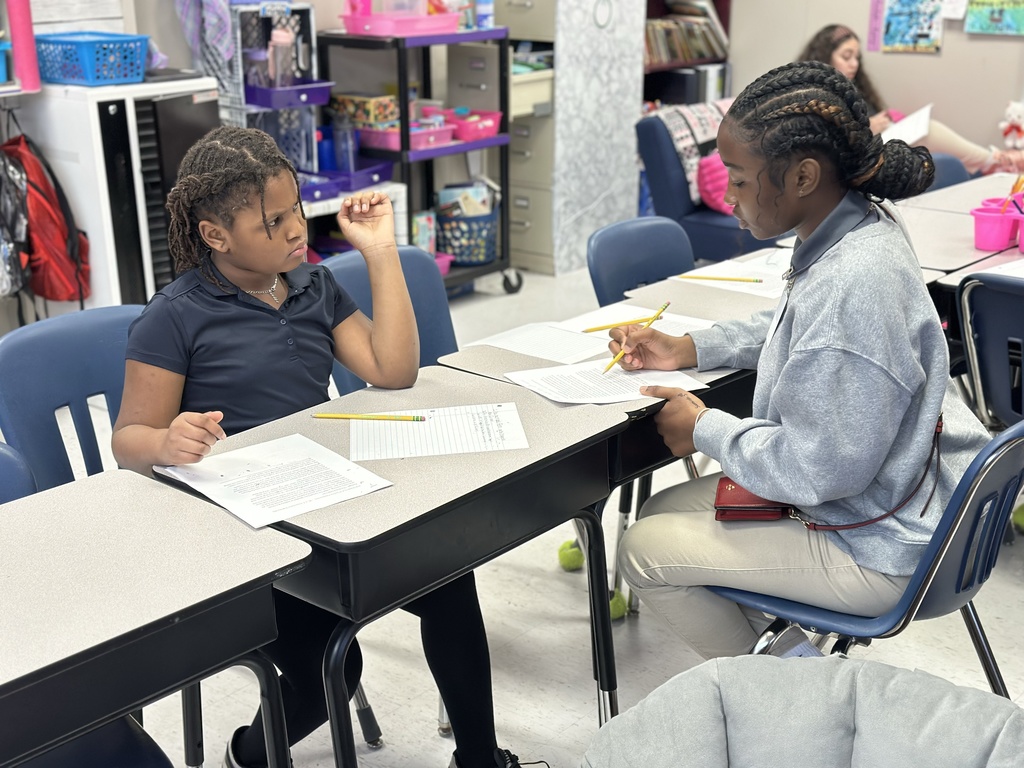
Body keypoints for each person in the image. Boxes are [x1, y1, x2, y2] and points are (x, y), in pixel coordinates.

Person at [111, 126, 526, 768]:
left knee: (450, 578)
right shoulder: (174, 316)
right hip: (247, 534)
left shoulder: (310, 284)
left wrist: (381, 253)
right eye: (272, 222)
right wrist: (166, 439)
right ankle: (247, 755)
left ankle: (479, 758)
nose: (295, 230)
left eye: (296, 210)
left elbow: (393, 369)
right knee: (333, 668)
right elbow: (127, 442)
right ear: (215, 236)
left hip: (328, 501)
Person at [612, 60, 991, 661]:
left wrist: (706, 427)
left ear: (804, 176)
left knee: (644, 550)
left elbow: (822, 470)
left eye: (738, 179)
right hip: (904, 497)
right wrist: (692, 347)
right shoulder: (859, 227)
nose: (729, 197)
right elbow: (800, 330)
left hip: (885, 543)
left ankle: (795, 699)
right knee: (662, 510)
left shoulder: (855, 280)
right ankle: (790, 656)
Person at [798, 24, 1024, 175]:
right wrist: (868, 127)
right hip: (850, 162)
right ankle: (996, 161)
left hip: (876, 150)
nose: (854, 64)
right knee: (930, 131)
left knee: (932, 150)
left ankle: (994, 162)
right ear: (824, 57)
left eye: (857, 57)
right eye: (846, 56)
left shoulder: (854, 89)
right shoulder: (811, 94)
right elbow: (818, 142)